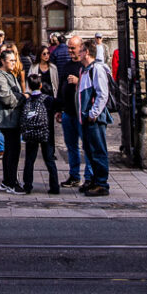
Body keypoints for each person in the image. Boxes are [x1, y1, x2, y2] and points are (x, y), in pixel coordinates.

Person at [56, 34, 93, 190]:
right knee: (71, 146)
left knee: (87, 146)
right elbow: (60, 88)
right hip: (68, 112)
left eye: (73, 48)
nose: (70, 50)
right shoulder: (66, 65)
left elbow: (94, 89)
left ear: (81, 49)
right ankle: (74, 175)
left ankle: (90, 177)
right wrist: (58, 108)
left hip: (82, 113)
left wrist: (79, 82)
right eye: (69, 47)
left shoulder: (87, 67)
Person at [77, 37, 112, 196]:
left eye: (80, 50)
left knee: (98, 150)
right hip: (85, 118)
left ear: (86, 53)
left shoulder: (96, 69)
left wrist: (93, 113)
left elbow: (102, 94)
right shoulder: (84, 70)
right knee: (90, 150)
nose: (77, 53)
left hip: (94, 119)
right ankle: (93, 180)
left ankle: (101, 183)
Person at [0, 48, 24, 193]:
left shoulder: (10, 74)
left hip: (13, 117)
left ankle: (7, 180)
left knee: (11, 150)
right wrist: (22, 98)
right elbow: (5, 96)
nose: (14, 63)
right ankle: (11, 182)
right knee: (12, 150)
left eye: (15, 61)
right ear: (2, 61)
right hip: (6, 118)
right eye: (11, 61)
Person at [21, 74, 60, 195]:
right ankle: (54, 187)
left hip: (31, 133)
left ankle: (27, 185)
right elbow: (59, 106)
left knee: (29, 160)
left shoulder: (27, 100)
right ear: (41, 85)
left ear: (29, 87)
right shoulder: (48, 100)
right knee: (49, 160)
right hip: (46, 133)